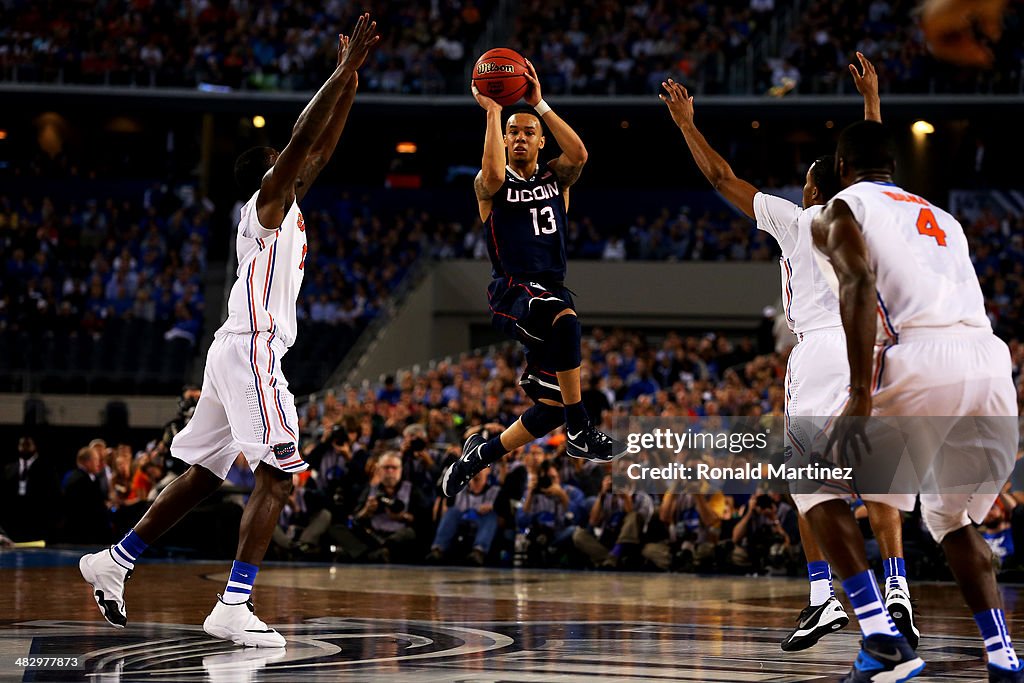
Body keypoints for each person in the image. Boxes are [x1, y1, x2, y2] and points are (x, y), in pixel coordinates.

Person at [78, 14, 379, 648]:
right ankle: (233, 604)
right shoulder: (264, 207)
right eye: (284, 163)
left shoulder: (287, 202)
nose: (297, 166)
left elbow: (320, 148)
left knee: (207, 474)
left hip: (231, 349)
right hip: (251, 346)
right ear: (268, 175)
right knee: (276, 472)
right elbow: (303, 141)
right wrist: (336, 74)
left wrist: (352, 80)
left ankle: (116, 560)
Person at [660, 54, 918, 653]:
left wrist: (685, 125)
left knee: (808, 479)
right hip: (876, 348)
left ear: (812, 187)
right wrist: (871, 105)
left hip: (823, 352)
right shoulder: (871, 217)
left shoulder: (798, 219)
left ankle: (824, 596)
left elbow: (722, 178)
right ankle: (898, 588)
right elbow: (870, 168)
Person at [809, 119, 1020, 682]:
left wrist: (857, 393)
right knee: (950, 519)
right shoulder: (944, 217)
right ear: (894, 167)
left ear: (841, 164)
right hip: (991, 364)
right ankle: (1004, 659)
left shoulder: (839, 209)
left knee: (812, 475)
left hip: (919, 355)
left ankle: (879, 638)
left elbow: (856, 281)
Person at [441, 57, 625, 498]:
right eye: (513, 132)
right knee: (565, 318)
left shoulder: (556, 176)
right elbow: (489, 173)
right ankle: (582, 429)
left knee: (549, 408)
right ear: (504, 139)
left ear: (541, 141)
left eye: (528, 133)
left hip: (551, 286)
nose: (520, 137)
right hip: (514, 289)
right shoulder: (492, 184)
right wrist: (492, 111)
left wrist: (539, 105)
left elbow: (579, 154)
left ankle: (479, 454)